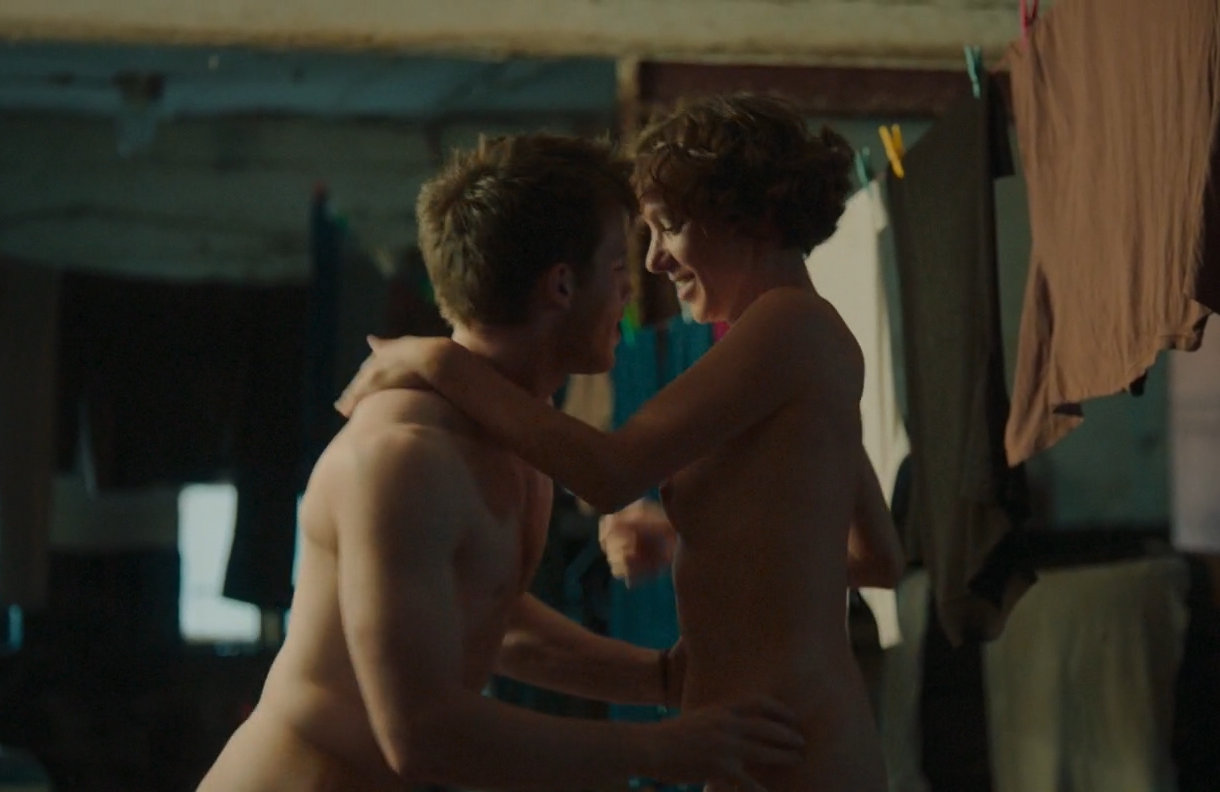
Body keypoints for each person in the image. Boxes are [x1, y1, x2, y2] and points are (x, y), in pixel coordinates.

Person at [198, 133, 805, 792]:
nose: (632, 288)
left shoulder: (516, 435)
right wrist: (660, 749)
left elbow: (492, 619)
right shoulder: (406, 459)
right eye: (617, 265)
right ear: (562, 285)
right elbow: (421, 734)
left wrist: (660, 679)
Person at [336, 95, 903, 792]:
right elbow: (878, 555)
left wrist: (440, 361)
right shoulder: (804, 345)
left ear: (755, 220)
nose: (655, 262)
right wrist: (707, 538)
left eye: (670, 228)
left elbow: (609, 472)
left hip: (789, 744)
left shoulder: (788, 326)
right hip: (777, 737)